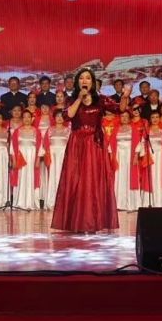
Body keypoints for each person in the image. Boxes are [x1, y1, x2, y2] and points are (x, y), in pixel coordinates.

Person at [51, 68, 129, 233]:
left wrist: (125, 98)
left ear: (92, 82)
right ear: (77, 82)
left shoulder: (100, 99)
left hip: (94, 143)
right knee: (75, 180)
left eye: (88, 78)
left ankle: (94, 220)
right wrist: (79, 98)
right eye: (81, 78)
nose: (84, 81)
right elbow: (67, 116)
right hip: (77, 143)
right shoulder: (71, 99)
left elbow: (120, 109)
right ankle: (75, 221)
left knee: (92, 180)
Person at [109, 111, 142, 212]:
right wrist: (112, 157)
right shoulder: (115, 129)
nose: (124, 118)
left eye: (126, 116)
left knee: (130, 177)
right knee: (119, 177)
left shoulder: (133, 129)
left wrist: (136, 156)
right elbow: (110, 144)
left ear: (129, 118)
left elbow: (138, 143)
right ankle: (119, 203)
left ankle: (132, 204)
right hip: (118, 155)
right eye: (122, 116)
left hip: (129, 155)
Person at [10, 110, 43, 211]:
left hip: (32, 157)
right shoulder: (17, 131)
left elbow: (40, 147)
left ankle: (31, 202)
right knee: (21, 177)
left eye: (28, 117)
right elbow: (12, 147)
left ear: (32, 119)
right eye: (24, 117)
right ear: (22, 119)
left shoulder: (36, 131)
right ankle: (20, 202)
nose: (27, 119)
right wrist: (14, 160)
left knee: (31, 177)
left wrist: (37, 160)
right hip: (21, 157)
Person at [141, 112, 162, 208]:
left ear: (159, 118)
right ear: (150, 119)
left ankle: (161, 202)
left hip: (161, 157)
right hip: (150, 157)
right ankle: (149, 201)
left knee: (160, 177)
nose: (155, 119)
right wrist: (145, 154)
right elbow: (142, 143)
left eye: (157, 117)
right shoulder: (146, 131)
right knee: (150, 177)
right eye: (153, 117)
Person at [43, 109, 71, 210]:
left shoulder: (68, 130)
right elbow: (46, 144)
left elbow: (71, 145)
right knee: (53, 177)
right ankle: (52, 201)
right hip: (52, 156)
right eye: (57, 116)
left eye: (61, 116)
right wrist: (47, 155)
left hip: (64, 156)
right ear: (54, 118)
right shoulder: (50, 130)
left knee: (63, 177)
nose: (59, 118)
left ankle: (64, 202)